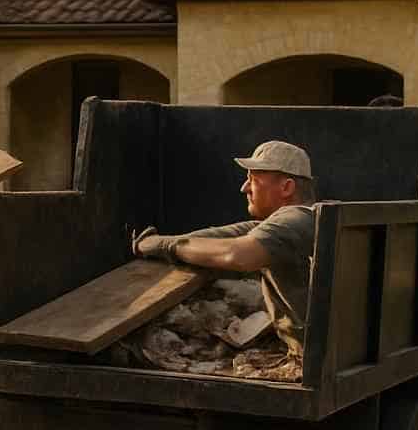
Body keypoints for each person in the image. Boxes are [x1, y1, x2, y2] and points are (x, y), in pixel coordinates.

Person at [132, 140, 316, 355]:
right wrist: (158, 243)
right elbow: (207, 240)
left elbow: (237, 254)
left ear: (286, 188)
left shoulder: (295, 221)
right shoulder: (292, 222)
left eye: (253, 179)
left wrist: (166, 245)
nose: (244, 187)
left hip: (313, 359)